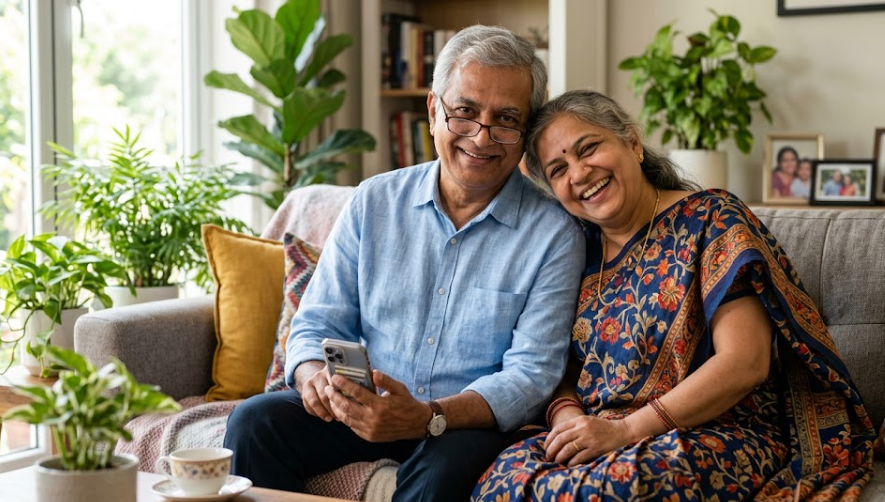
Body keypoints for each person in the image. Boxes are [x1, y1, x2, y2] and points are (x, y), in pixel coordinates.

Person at [222, 25, 586, 502]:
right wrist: (313, 378)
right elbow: (317, 320)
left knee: (441, 477)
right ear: (434, 109)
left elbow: (532, 374)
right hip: (361, 407)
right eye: (464, 112)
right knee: (254, 422)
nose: (481, 136)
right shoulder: (374, 200)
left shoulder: (555, 232)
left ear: (524, 131)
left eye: (506, 119)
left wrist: (428, 414)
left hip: (462, 422)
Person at [471, 90, 876, 501]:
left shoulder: (711, 218)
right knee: (503, 479)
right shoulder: (572, 250)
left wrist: (626, 430)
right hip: (598, 431)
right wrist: (571, 421)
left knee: (616, 488)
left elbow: (746, 361)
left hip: (714, 431)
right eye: (558, 169)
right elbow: (556, 367)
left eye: (588, 148)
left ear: (631, 142)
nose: (578, 174)